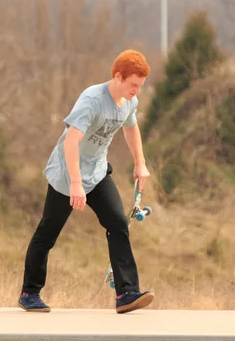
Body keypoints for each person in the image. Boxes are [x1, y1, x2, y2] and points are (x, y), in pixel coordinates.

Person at [18, 50, 154, 314]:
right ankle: (29, 293)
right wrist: (75, 184)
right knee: (48, 232)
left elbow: (131, 127)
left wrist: (140, 163)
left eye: (140, 86)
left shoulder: (128, 102)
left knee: (117, 223)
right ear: (118, 76)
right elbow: (70, 141)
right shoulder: (92, 100)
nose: (136, 91)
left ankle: (126, 293)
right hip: (67, 174)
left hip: (98, 172)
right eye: (133, 85)